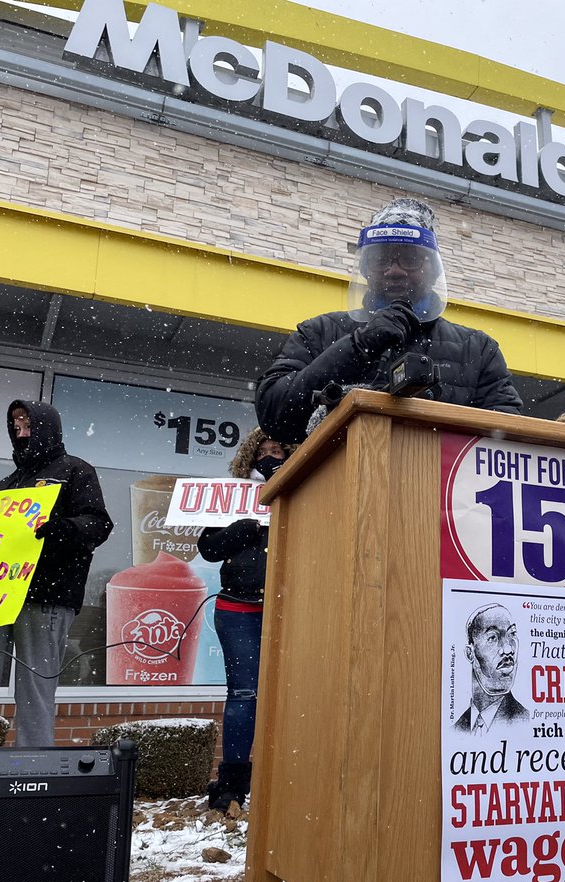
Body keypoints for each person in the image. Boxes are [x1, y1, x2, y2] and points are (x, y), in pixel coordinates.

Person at [255, 198, 522, 443]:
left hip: (437, 479)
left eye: (410, 259)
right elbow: (274, 416)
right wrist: (357, 347)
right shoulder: (319, 332)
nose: (394, 271)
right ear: (365, 271)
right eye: (380, 259)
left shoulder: (478, 349)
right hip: (345, 479)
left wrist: (432, 416)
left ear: (433, 270)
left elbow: (506, 439)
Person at [0, 400, 113, 748]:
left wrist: (65, 528)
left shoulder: (75, 471)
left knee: (35, 685)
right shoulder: (6, 485)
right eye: (15, 425)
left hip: (48, 595)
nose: (20, 431)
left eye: (27, 423)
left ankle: (33, 762)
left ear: (47, 426)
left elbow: (98, 523)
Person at [200, 428, 295, 811]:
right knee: (244, 693)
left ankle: (287, 777)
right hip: (238, 607)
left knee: (292, 694)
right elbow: (208, 548)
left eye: (277, 450)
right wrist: (240, 531)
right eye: (262, 452)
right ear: (249, 458)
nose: (269, 457)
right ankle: (233, 783)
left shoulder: (303, 491)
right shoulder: (234, 496)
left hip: (290, 606)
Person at [454, 603, 529, 733]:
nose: (508, 649)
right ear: (470, 653)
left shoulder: (526, 721)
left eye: (512, 634)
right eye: (493, 638)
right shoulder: (456, 730)